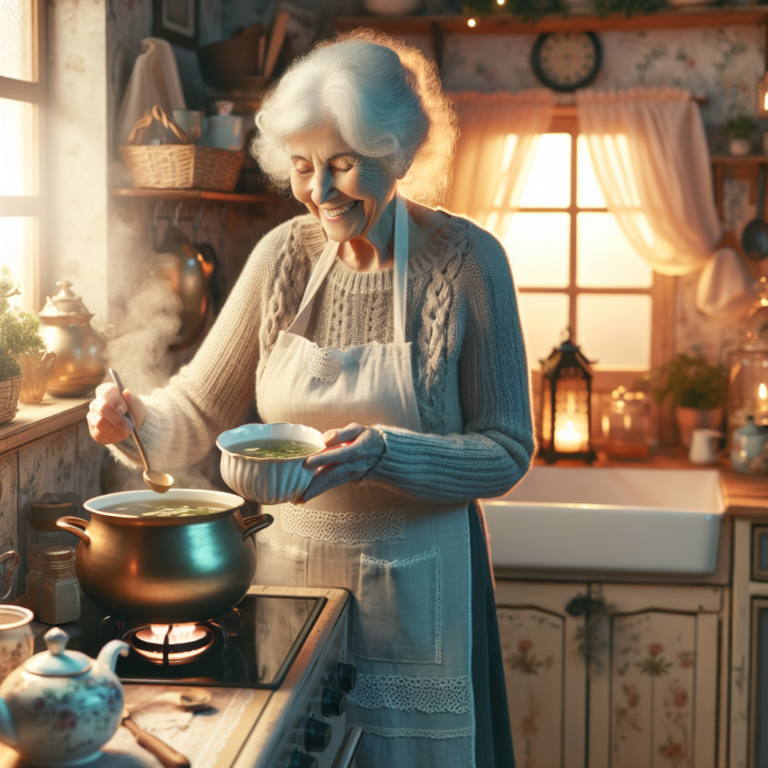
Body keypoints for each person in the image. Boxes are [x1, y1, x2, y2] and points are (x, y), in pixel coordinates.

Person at [89, 29, 534, 767]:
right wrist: (137, 416)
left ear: (394, 154)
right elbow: (198, 410)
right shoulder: (282, 258)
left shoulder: (468, 264)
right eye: (302, 167)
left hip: (417, 600)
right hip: (288, 594)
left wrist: (384, 454)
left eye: (343, 166)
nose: (320, 191)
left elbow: (506, 450)